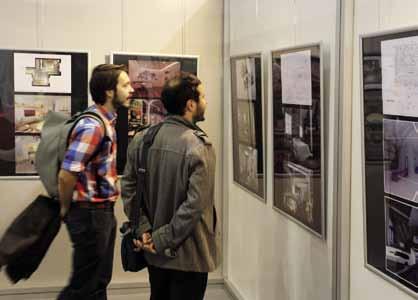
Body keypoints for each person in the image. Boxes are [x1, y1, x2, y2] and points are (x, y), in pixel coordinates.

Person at [121, 72, 220, 300]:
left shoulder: (143, 139)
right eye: (203, 97)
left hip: (153, 252)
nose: (206, 102)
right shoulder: (199, 146)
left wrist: (146, 230)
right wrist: (161, 239)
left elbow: (128, 188)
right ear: (190, 104)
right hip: (189, 253)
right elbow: (195, 205)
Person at [57, 64, 133, 300]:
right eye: (125, 85)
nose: (131, 89)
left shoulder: (105, 122)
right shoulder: (93, 126)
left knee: (97, 283)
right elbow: (66, 174)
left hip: (100, 212)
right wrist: (64, 207)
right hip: (90, 214)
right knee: (84, 286)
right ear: (110, 92)